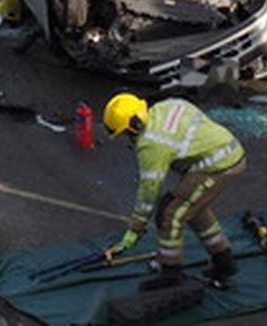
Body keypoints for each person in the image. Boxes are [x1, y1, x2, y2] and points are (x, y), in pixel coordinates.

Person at [103, 94, 246, 289]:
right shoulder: (165, 106)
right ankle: (224, 261)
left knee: (169, 214)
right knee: (192, 209)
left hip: (218, 165)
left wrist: (136, 227)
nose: (128, 138)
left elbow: (149, 190)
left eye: (126, 133)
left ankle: (171, 273)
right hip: (229, 151)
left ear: (134, 126)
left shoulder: (150, 144)